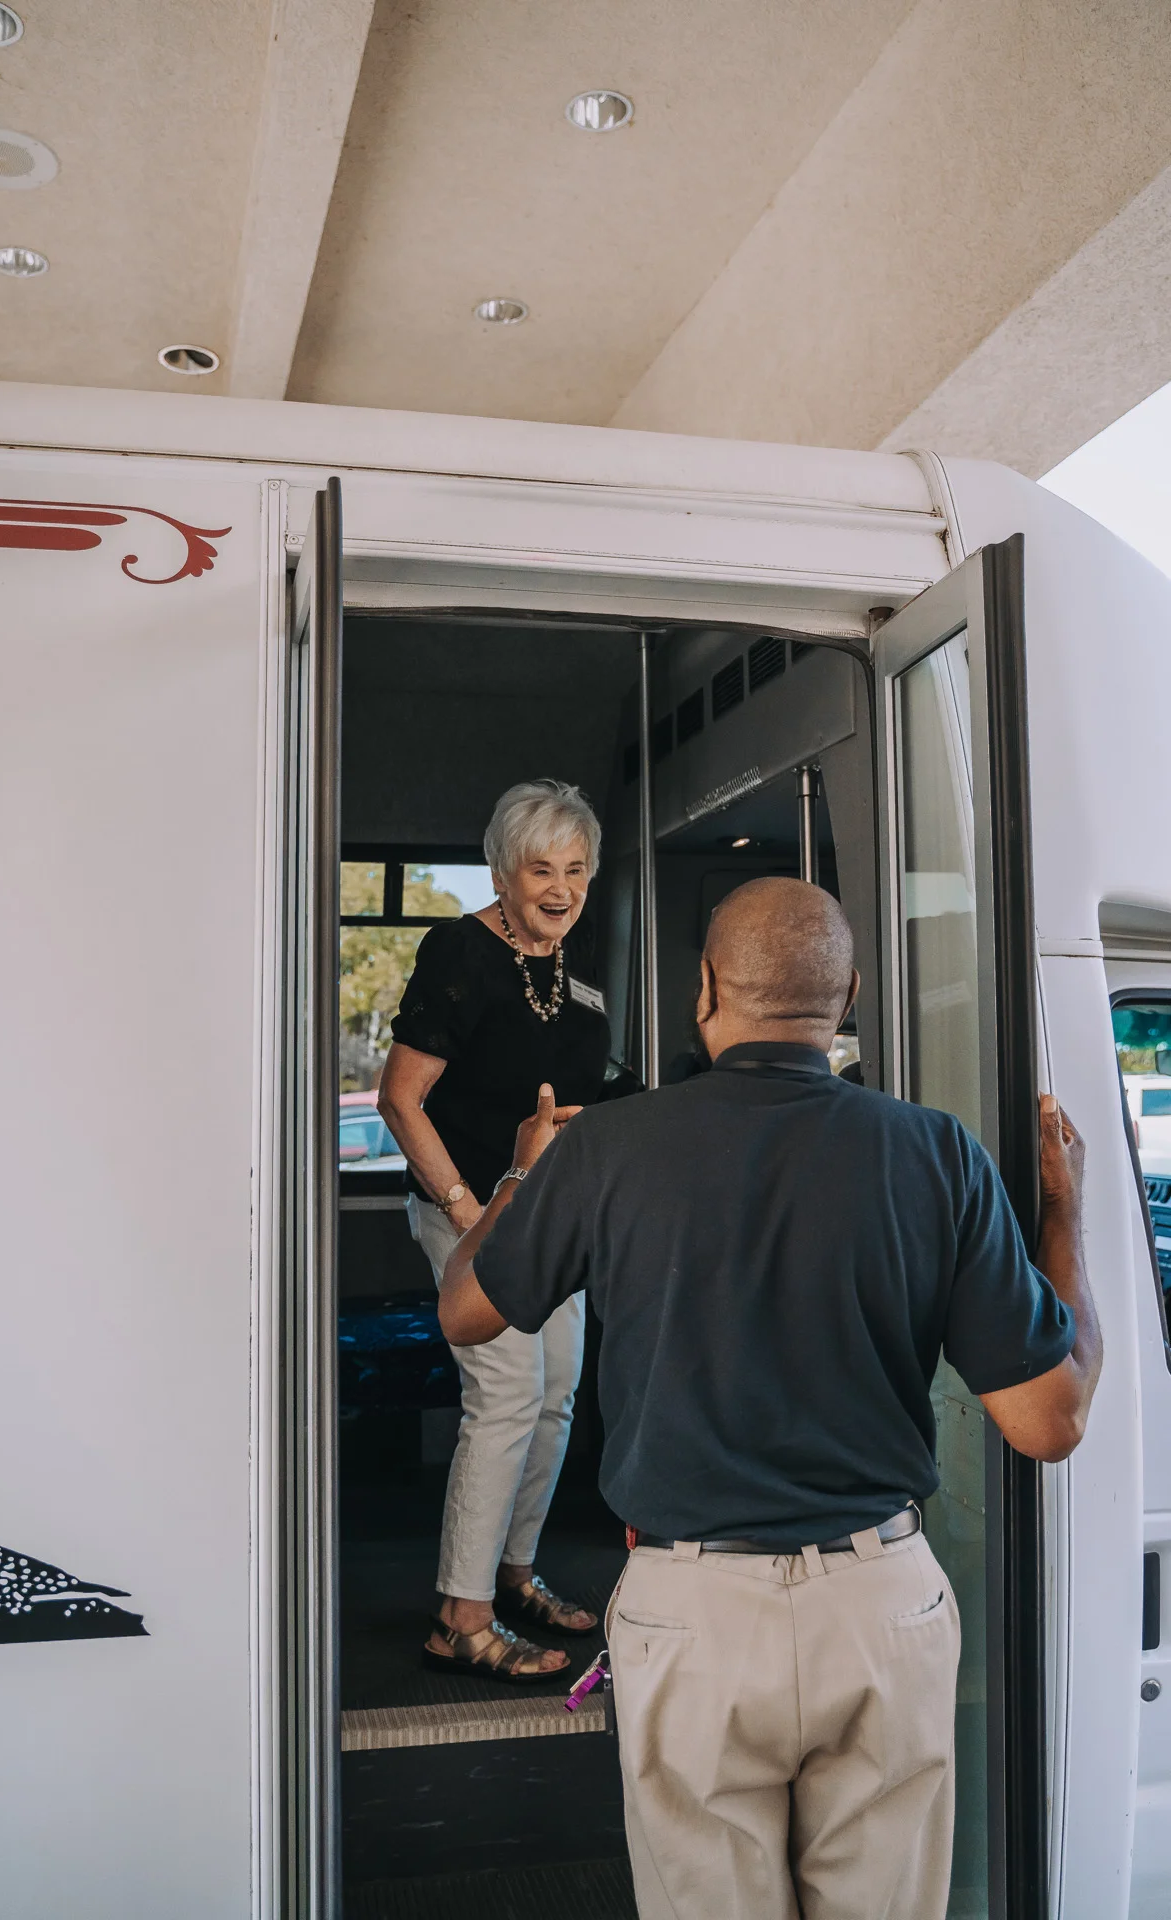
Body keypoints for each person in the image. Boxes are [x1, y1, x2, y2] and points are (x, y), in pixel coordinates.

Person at [436, 877, 1102, 1917]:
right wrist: (1063, 1219)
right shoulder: (935, 1153)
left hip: (689, 1611)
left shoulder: (606, 1148)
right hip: (879, 1604)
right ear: (845, 1002)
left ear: (704, 991)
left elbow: (466, 1313)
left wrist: (524, 1175)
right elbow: (1048, 1420)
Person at [377, 779, 612, 1683]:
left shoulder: (568, 960)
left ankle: (512, 1575)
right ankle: (460, 1618)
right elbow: (403, 1098)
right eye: (541, 870)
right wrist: (471, 1217)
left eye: (577, 870)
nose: (561, 888)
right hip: (471, 1210)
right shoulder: (457, 953)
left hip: (553, 1219)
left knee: (555, 1395)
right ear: (503, 873)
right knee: (509, 1392)